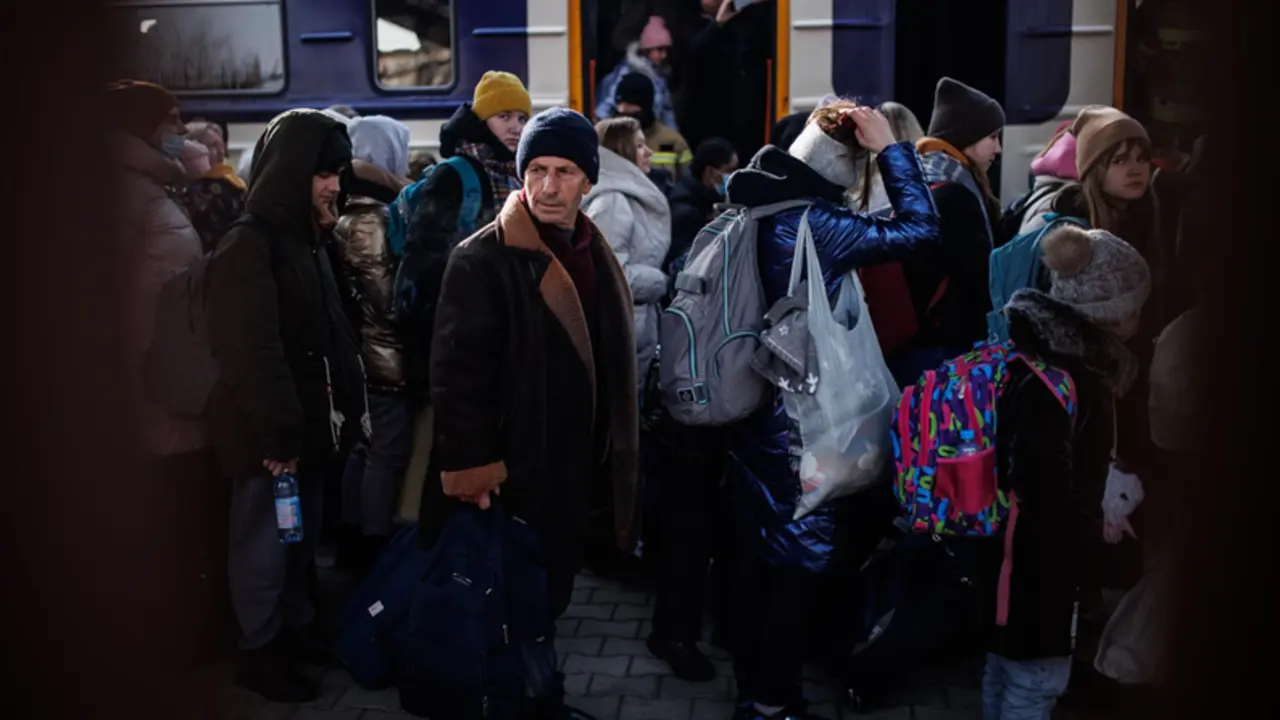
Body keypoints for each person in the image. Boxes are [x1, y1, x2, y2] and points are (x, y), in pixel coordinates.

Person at [687, 103, 940, 718]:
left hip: (750, 404)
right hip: (800, 421)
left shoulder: (752, 205)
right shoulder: (816, 224)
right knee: (794, 570)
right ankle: (771, 701)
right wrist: (892, 151)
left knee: (755, 558)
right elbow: (921, 228)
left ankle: (752, 683)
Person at [418, 110, 639, 703]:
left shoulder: (593, 248)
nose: (547, 185)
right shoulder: (483, 257)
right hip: (514, 475)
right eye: (536, 169)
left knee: (550, 595)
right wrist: (473, 469)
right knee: (512, 610)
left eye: (564, 171)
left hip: (572, 468)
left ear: (588, 179)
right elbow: (456, 376)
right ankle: (524, 697)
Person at [206, 109, 370, 702]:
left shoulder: (308, 240)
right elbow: (250, 352)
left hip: (301, 441)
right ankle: (260, 652)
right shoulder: (250, 245)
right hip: (270, 448)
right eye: (322, 173)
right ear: (290, 172)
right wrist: (279, 439)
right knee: (264, 553)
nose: (334, 185)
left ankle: (294, 636)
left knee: (295, 548)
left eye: (338, 173)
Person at [985, 223, 1151, 719]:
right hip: (1038, 570)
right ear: (1110, 313)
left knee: (1003, 669)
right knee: (1036, 684)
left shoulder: (1034, 356)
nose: (1140, 316)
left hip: (1008, 557)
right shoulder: (1071, 381)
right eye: (1133, 305)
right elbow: (1045, 490)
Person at [332, 115, 414, 576]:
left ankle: (352, 539)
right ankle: (370, 551)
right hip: (384, 360)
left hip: (361, 356)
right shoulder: (376, 220)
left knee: (363, 452)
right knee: (385, 454)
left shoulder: (346, 212)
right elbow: (388, 301)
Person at [896, 77, 1006, 386]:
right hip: (948, 354)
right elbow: (978, 286)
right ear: (966, 136)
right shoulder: (955, 198)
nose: (997, 149)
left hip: (914, 347)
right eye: (993, 137)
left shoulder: (920, 182)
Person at [582, 116, 672, 385]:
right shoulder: (613, 201)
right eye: (641, 146)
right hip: (621, 330)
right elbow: (609, 274)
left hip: (632, 326)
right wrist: (661, 281)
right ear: (622, 152)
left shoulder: (623, 196)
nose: (649, 152)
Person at [439, 70, 532, 212]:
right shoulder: (452, 173)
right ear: (482, 121)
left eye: (522, 119)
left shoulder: (520, 173)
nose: (517, 128)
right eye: (504, 116)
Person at [666, 137, 737, 275]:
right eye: (729, 170)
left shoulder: (705, 198)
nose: (732, 176)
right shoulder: (685, 210)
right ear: (710, 171)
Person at [595, 15, 680, 131]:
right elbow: (606, 106)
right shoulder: (625, 73)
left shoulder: (660, 76)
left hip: (651, 132)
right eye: (659, 49)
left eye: (666, 50)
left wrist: (673, 135)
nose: (664, 55)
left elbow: (666, 111)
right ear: (646, 50)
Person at [612, 72, 692, 187]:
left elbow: (688, 187)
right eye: (619, 105)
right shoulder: (607, 140)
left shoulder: (673, 142)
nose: (623, 110)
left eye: (630, 105)